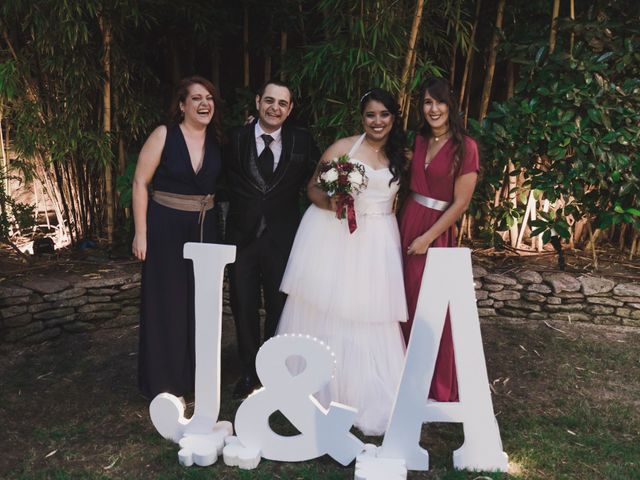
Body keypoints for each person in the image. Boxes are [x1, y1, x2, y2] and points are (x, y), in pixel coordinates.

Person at [276, 88, 408, 436]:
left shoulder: (402, 154)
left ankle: (366, 391)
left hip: (378, 239)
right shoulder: (343, 148)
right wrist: (335, 202)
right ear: (361, 118)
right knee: (330, 309)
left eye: (384, 114)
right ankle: (321, 389)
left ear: (394, 117)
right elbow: (313, 190)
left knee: (371, 312)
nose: (377, 121)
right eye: (370, 115)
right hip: (337, 238)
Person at [223, 80, 320, 399]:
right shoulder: (234, 138)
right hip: (241, 239)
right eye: (269, 101)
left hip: (283, 238)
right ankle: (249, 372)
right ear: (257, 102)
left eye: (282, 103)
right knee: (244, 305)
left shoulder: (302, 141)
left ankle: (274, 369)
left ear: (290, 109)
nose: (275, 108)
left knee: (280, 306)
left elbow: (321, 180)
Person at [133, 76, 223, 400]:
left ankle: (197, 379)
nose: (204, 103)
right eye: (196, 98)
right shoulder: (164, 135)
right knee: (167, 302)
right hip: (166, 228)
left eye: (209, 98)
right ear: (182, 105)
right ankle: (165, 383)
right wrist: (141, 233)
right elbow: (141, 182)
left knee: (200, 303)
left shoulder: (217, 140)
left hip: (205, 227)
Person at [400, 77, 479, 402]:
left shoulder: (465, 147)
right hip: (407, 219)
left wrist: (427, 238)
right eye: (427, 103)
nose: (433, 109)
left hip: (435, 229)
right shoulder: (417, 140)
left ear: (451, 106)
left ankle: (436, 385)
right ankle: (401, 375)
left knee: (431, 306)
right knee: (403, 299)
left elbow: (460, 203)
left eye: (439, 102)